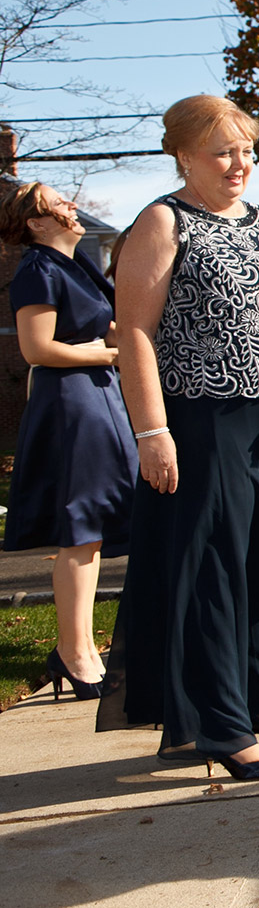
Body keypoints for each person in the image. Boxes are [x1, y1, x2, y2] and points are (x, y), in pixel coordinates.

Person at [113, 94, 259, 781]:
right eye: (223, 151)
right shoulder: (162, 221)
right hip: (203, 422)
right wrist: (151, 430)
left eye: (246, 149)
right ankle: (220, 723)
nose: (238, 163)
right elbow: (134, 331)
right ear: (183, 154)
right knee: (215, 570)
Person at [1, 182, 136, 700]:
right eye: (59, 203)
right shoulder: (37, 268)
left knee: (92, 528)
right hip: (72, 402)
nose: (72, 206)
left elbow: (113, 329)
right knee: (80, 527)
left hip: (97, 397)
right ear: (36, 223)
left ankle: (77, 648)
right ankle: (75, 653)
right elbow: (38, 348)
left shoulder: (72, 265)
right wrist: (107, 356)